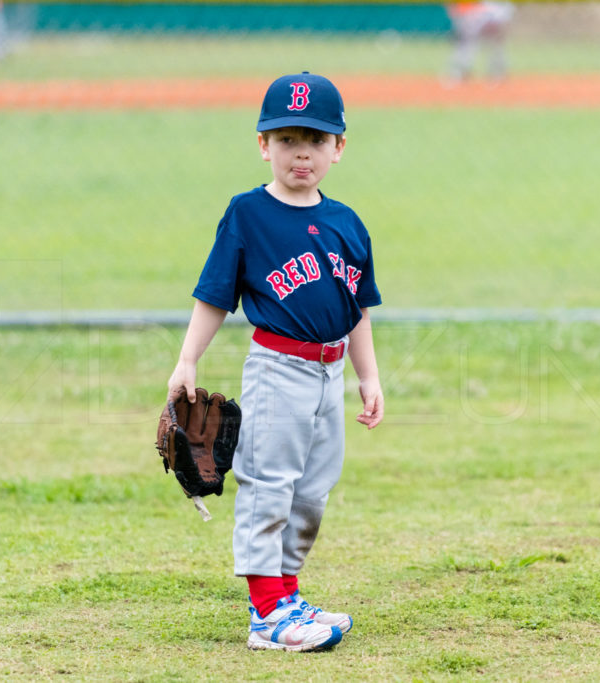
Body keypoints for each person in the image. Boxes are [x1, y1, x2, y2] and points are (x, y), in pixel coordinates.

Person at [166, 72, 384, 652]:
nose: (301, 152)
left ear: (340, 148)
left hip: (330, 373)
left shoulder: (347, 223)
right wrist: (187, 360)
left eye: (315, 139)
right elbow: (214, 294)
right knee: (269, 488)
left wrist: (369, 376)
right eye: (286, 139)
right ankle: (267, 616)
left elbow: (358, 307)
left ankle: (287, 597)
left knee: (312, 492)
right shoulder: (247, 214)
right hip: (277, 369)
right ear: (263, 145)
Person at [445, 1, 515, 83]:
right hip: (481, 14)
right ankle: (460, 71)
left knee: (494, 45)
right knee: (468, 44)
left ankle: (498, 73)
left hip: (491, 13)